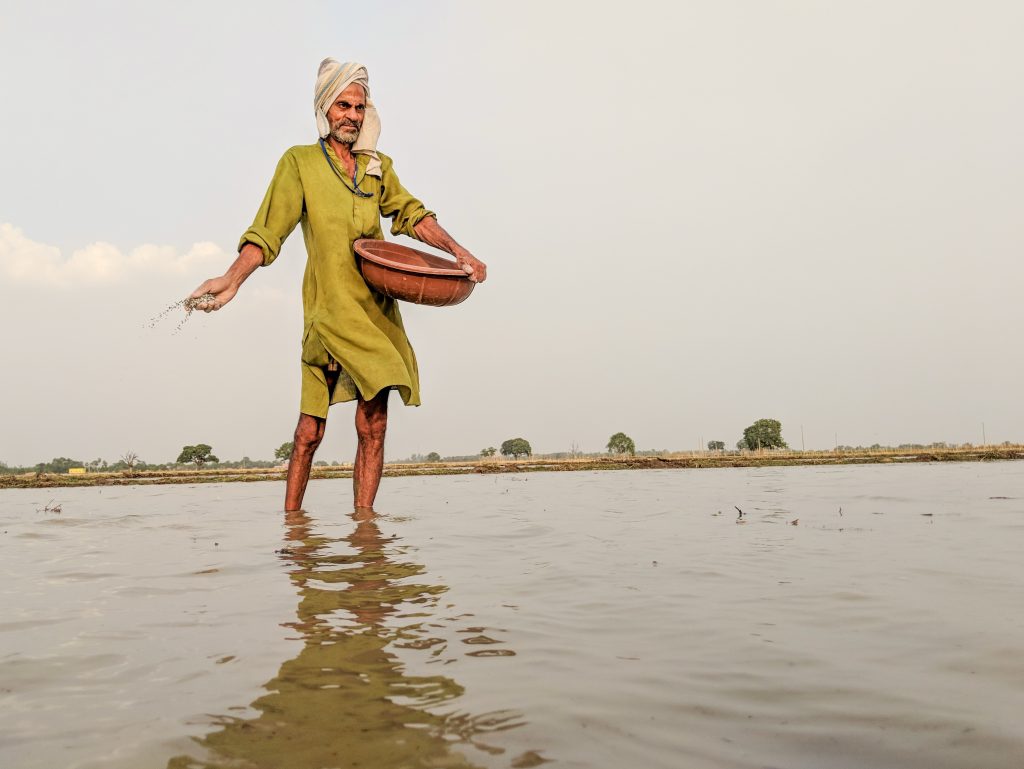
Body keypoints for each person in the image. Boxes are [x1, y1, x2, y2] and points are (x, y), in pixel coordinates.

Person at [189, 59, 486, 512]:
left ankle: (366, 534)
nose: (351, 115)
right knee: (311, 430)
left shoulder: (376, 167)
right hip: (328, 311)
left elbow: (411, 215)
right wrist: (232, 279)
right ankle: (292, 528)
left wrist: (459, 252)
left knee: (375, 424)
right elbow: (269, 230)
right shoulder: (299, 162)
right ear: (324, 109)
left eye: (359, 106)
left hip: (375, 313)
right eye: (342, 105)